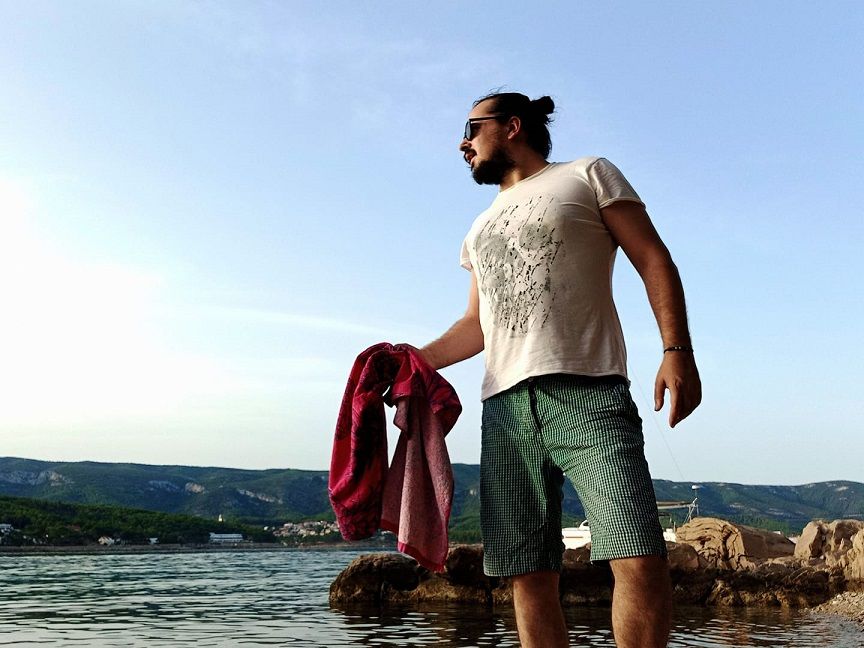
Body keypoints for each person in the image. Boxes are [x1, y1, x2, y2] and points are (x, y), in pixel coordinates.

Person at [416, 92, 702, 648]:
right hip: (504, 407)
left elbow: (653, 259)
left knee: (638, 556)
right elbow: (476, 325)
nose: (462, 143)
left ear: (512, 126)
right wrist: (413, 360)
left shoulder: (587, 174)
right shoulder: (479, 227)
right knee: (527, 574)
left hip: (589, 392)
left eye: (471, 128)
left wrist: (676, 351)